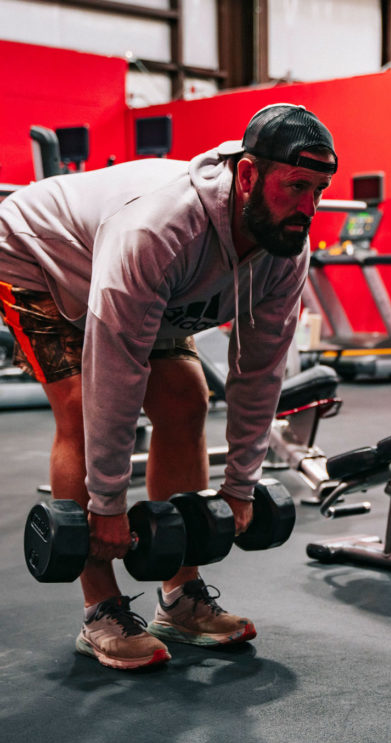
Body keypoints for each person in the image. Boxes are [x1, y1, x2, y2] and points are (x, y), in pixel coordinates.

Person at [0, 103, 337, 670]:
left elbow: (258, 371)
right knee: (83, 405)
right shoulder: (160, 230)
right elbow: (116, 372)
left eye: (319, 190)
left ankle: (180, 597)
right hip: (38, 255)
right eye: (296, 186)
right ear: (249, 176)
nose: (309, 208)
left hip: (130, 276)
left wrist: (240, 486)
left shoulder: (284, 250)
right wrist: (107, 504)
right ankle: (101, 608)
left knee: (185, 397)